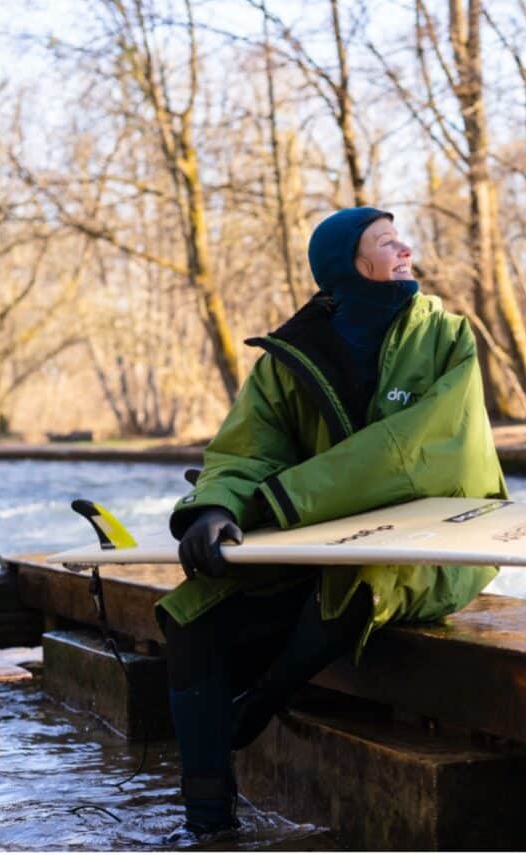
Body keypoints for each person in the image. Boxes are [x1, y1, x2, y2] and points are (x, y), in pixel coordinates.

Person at [160, 207, 507, 835]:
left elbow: (419, 452)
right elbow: (246, 450)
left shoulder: (446, 338)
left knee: (353, 584)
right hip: (319, 538)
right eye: (387, 242)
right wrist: (215, 508)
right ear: (349, 264)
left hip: (436, 545)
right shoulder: (289, 357)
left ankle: (255, 709)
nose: (406, 250)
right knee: (192, 619)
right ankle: (207, 827)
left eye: (399, 240)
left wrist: (282, 501)